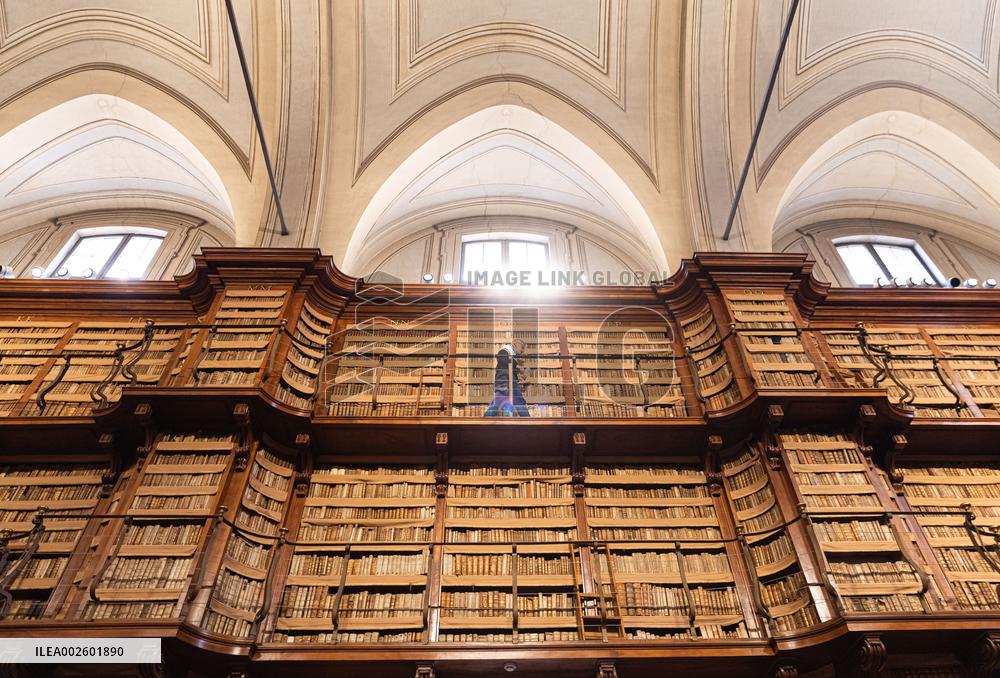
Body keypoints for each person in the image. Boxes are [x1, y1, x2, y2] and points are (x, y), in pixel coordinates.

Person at [483, 338, 530, 417]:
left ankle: (485, 419)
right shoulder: (505, 351)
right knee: (516, 401)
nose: (522, 351)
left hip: (507, 382)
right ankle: (528, 422)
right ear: (517, 344)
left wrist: (520, 376)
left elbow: (509, 368)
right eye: (522, 348)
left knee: (500, 402)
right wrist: (517, 368)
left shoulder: (511, 354)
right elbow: (505, 363)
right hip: (505, 382)